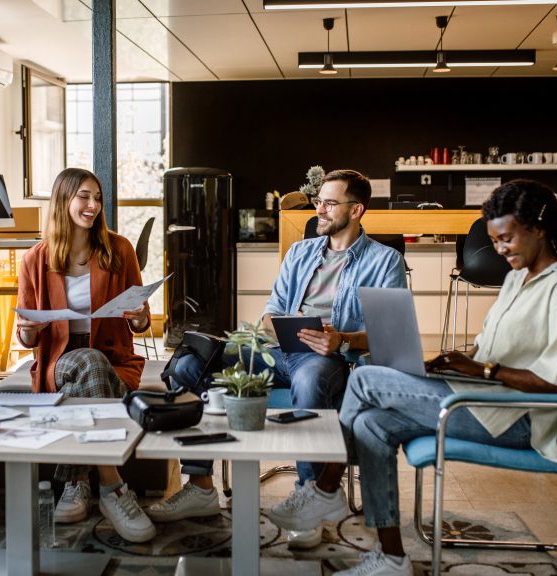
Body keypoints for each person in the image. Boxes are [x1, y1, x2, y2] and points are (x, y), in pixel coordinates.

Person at [266, 179, 557, 575]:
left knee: (366, 379)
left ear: (539, 229)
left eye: (508, 240)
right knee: (370, 422)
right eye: (495, 241)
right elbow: (499, 353)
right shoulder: (521, 276)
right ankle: (392, 557)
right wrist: (457, 362)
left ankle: (325, 489)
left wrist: (482, 369)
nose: (500, 251)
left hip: (519, 417)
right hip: (483, 397)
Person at [147, 169, 408, 546]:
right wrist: (275, 326)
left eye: (329, 203)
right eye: (319, 201)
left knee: (309, 379)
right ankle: (201, 485)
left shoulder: (384, 262)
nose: (319, 209)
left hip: (325, 357)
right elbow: (271, 311)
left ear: (356, 210)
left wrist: (342, 339)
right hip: (275, 349)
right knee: (191, 363)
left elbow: (390, 335)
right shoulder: (300, 253)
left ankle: (310, 497)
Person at [16, 167, 156, 543]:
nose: (93, 205)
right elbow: (27, 335)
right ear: (63, 200)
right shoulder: (35, 259)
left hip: (112, 360)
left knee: (93, 366)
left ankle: (76, 482)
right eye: (83, 196)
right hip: (58, 361)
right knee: (87, 362)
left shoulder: (119, 249)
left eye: (97, 197)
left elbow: (138, 324)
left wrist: (141, 318)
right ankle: (113, 487)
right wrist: (27, 332)